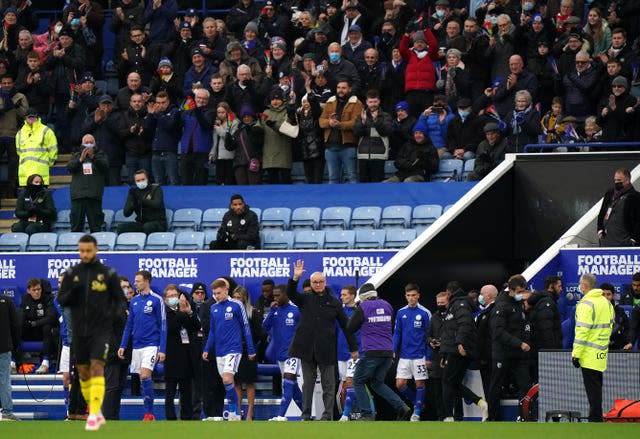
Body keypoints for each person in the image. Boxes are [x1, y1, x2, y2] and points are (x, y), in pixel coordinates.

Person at [57, 234, 122, 431]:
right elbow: (61, 300)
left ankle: (94, 412)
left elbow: (119, 301)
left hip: (100, 331)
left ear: (96, 250)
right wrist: (73, 292)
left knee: (96, 368)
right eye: (82, 251)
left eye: (88, 250)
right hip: (79, 331)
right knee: (83, 373)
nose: (85, 254)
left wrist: (110, 315)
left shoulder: (108, 274)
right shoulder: (71, 273)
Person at [287, 260, 358, 420]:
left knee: (329, 386)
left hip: (327, 349)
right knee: (307, 385)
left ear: (325, 283)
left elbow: (347, 327)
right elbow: (291, 294)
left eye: (320, 282)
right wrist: (295, 278)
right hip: (306, 349)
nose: (318, 284)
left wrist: (353, 348)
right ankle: (305, 416)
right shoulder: (304, 298)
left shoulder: (334, 303)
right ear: (311, 283)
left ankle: (327, 416)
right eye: (315, 282)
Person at [347, 283, 411, 421]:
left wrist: (356, 309)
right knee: (377, 383)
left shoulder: (363, 307)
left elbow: (350, 328)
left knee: (357, 381)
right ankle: (401, 406)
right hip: (388, 352)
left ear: (363, 297)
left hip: (371, 351)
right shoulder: (387, 305)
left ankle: (367, 414)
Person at [202, 278, 256, 422]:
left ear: (226, 290)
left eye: (219, 293)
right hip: (219, 351)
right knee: (228, 382)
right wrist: (207, 348)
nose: (217, 296)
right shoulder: (213, 308)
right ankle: (235, 414)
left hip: (234, 349)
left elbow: (246, 327)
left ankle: (234, 411)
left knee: (227, 378)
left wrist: (251, 349)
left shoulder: (237, 305)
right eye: (214, 294)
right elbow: (212, 331)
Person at [118, 270, 167, 421]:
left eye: (138, 281)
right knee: (142, 379)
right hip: (137, 346)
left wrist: (162, 349)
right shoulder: (134, 301)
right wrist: (123, 345)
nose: (135, 283)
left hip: (151, 345)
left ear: (146, 281)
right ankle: (148, 413)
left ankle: (149, 413)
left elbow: (164, 325)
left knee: (145, 375)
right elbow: (129, 325)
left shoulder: (157, 300)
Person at [440, 286, 488, 422]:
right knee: (453, 383)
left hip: (459, 349)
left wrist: (460, 343)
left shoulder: (460, 304)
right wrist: (443, 354)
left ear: (449, 292)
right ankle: (481, 403)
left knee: (447, 381)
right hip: (453, 349)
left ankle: (448, 416)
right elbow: (448, 332)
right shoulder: (455, 305)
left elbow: (465, 323)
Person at [488, 275, 531, 421]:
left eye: (523, 291)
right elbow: (498, 332)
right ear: (511, 291)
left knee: (525, 383)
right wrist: (519, 343)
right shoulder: (500, 306)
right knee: (496, 385)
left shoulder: (518, 305)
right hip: (503, 353)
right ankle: (493, 417)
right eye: (519, 291)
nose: (521, 294)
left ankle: (523, 416)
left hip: (517, 354)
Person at [572, 274, 614, 422]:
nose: (579, 286)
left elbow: (582, 331)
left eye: (580, 284)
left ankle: (595, 418)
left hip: (588, 353)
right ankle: (595, 416)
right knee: (597, 387)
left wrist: (576, 354)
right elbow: (609, 327)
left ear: (584, 285)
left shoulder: (586, 304)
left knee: (592, 389)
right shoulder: (606, 302)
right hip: (601, 352)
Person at [393, 283, 432, 422]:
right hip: (404, 356)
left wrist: (428, 356)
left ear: (418, 296)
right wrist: (393, 349)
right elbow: (397, 333)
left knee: (419, 384)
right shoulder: (401, 312)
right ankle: (418, 403)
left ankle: (416, 413)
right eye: (408, 296)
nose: (411, 298)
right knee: (400, 384)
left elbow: (429, 336)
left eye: (413, 295)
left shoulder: (425, 313)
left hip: (419, 355)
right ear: (405, 296)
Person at [263, 284, 302, 421]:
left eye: (278, 295)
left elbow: (304, 331)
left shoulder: (296, 311)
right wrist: (271, 312)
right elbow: (265, 327)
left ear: (286, 294)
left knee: (287, 383)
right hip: (279, 354)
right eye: (274, 296)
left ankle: (281, 416)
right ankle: (306, 414)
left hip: (293, 353)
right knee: (294, 387)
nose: (275, 298)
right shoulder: (275, 310)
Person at [163, 284, 198, 421]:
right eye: (170, 296)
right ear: (165, 299)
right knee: (170, 393)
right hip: (171, 357)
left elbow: (196, 327)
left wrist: (189, 312)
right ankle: (170, 418)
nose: (173, 298)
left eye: (175, 296)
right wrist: (183, 314)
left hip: (186, 357)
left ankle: (187, 417)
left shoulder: (184, 311)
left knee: (187, 392)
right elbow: (171, 327)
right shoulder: (164, 313)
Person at [318, 78, 363, 184]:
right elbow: (321, 121)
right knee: (332, 179)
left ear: (350, 89)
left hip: (348, 147)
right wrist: (329, 122)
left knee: (352, 178)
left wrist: (340, 124)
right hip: (330, 148)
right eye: (338, 88)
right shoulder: (330, 101)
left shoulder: (356, 103)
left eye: (343, 88)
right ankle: (333, 201)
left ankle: (353, 201)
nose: (340, 90)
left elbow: (356, 123)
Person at [231, 286, 261, 420]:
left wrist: (251, 348)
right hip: (234, 350)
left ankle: (250, 412)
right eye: (235, 297)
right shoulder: (229, 313)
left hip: (249, 351)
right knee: (236, 382)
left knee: (249, 383)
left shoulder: (252, 313)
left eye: (239, 297)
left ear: (244, 298)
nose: (237, 300)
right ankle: (238, 411)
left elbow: (259, 334)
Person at [67, 134, 108, 233]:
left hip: (94, 196)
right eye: (86, 142)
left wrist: (93, 157)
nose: (88, 144)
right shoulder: (76, 155)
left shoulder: (101, 155)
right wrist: (80, 160)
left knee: (96, 228)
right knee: (76, 227)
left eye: (91, 142)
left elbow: (105, 167)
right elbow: (70, 168)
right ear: (82, 144)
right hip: (78, 196)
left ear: (94, 144)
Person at [354, 89, 393, 182]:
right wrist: (363, 122)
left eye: (375, 101)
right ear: (366, 102)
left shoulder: (385, 116)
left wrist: (376, 121)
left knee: (377, 184)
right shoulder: (361, 116)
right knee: (363, 185)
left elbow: (387, 131)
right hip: (363, 155)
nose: (373, 104)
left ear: (379, 101)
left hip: (379, 155)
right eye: (370, 102)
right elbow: (356, 133)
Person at [19, 278, 56, 374]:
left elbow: (51, 317)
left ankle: (45, 363)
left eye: (39, 289)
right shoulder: (25, 299)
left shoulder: (47, 298)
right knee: (17, 326)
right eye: (34, 290)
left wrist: (34, 323)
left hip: (43, 331)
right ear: (28, 291)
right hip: (29, 331)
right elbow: (21, 317)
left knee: (47, 326)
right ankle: (13, 362)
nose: (37, 292)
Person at [526, 284, 562, 382]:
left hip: (539, 349)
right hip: (544, 350)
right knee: (545, 380)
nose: (561, 289)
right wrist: (551, 351)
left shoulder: (543, 300)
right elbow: (545, 327)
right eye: (559, 286)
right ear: (551, 286)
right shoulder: (547, 302)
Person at [179, 87, 215, 185]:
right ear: (195, 98)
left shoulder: (211, 112)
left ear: (208, 100)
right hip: (186, 152)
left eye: (204, 99)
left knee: (201, 182)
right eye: (199, 98)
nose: (201, 100)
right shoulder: (187, 111)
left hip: (202, 153)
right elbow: (177, 123)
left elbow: (206, 125)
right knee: (186, 183)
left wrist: (197, 110)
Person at [336, 285, 361, 422]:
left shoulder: (359, 311)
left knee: (351, 381)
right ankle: (351, 413)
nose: (342, 297)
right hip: (340, 353)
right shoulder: (338, 312)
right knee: (345, 383)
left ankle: (345, 415)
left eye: (344, 295)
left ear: (352, 295)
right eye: (341, 295)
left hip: (354, 353)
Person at [0, 74, 28, 197]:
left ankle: (11, 193)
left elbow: (27, 115)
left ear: (13, 84)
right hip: (0, 135)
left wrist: (14, 106)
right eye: (4, 83)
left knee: (14, 165)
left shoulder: (20, 97)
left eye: (9, 83)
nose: (7, 85)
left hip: (13, 135)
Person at [597, 168, 640, 247]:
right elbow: (602, 212)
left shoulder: (635, 197)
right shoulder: (609, 193)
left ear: (627, 180)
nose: (616, 182)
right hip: (606, 241)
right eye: (615, 180)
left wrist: (634, 239)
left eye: (619, 180)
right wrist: (599, 229)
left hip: (625, 243)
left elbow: (638, 220)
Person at [145, 91, 181, 185]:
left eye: (163, 102)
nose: (160, 105)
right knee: (158, 183)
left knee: (173, 181)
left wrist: (157, 114)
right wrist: (150, 114)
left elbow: (169, 125)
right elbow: (148, 129)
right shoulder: (156, 114)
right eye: (158, 103)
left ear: (168, 101)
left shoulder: (175, 112)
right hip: (156, 152)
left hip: (169, 152)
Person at [16, 108, 58, 188]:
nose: (31, 119)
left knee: (41, 200)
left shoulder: (46, 131)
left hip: (41, 175)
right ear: (25, 118)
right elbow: (19, 152)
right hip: (26, 176)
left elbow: (53, 151)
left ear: (37, 117)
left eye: (33, 117)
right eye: (29, 117)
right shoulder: (20, 133)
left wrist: (48, 164)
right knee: (27, 200)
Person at [116, 169, 167, 234]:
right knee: (121, 228)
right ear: (135, 182)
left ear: (147, 179)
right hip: (141, 223)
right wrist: (132, 202)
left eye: (143, 179)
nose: (141, 182)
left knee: (147, 227)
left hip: (158, 223)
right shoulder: (134, 192)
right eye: (138, 181)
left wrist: (142, 200)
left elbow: (157, 204)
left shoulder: (156, 189)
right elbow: (126, 213)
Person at [0, 288, 20, 421]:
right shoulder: (7, 301)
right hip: (4, 346)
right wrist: (15, 344)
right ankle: (7, 412)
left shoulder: (7, 301)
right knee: (4, 379)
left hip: (5, 346)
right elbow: (15, 325)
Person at [476, 285, 498, 399]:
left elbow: (490, 335)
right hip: (485, 356)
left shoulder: (494, 311)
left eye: (481, 293)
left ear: (488, 295)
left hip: (489, 357)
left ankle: (493, 415)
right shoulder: (486, 311)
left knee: (491, 387)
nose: (480, 296)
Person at [210, 102, 239, 186]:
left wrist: (219, 129)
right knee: (219, 181)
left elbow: (230, 138)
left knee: (229, 181)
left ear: (227, 111)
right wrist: (212, 153)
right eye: (219, 112)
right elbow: (215, 140)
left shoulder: (234, 122)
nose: (220, 114)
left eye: (223, 112)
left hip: (229, 156)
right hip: (218, 156)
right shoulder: (216, 123)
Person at [600, 283, 632, 351]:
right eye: (603, 294)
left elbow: (627, 329)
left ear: (613, 296)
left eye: (608, 294)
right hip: (600, 348)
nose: (605, 297)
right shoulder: (594, 311)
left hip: (618, 348)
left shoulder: (620, 311)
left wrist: (629, 342)